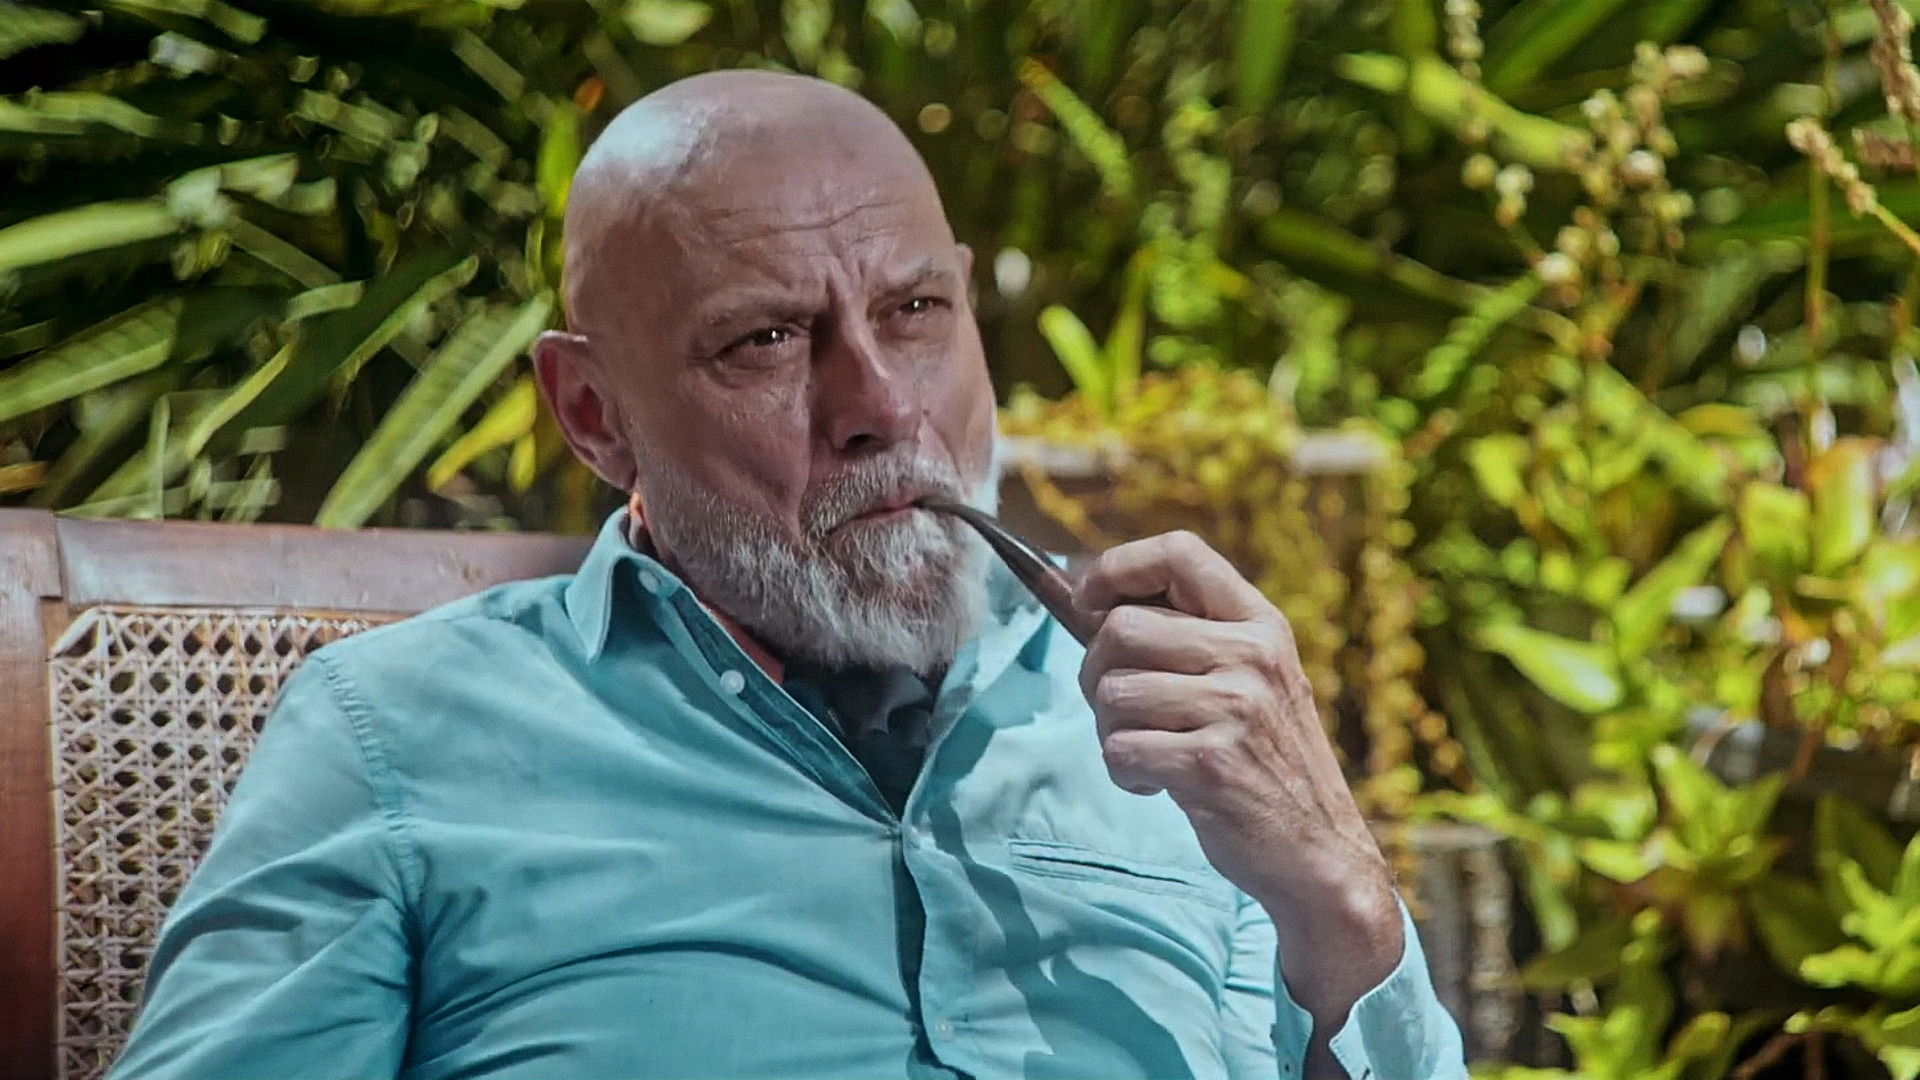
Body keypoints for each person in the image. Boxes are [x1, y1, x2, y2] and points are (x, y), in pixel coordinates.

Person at [108, 70, 1466, 1080]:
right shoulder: (398, 733)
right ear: (593, 412)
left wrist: (1341, 897)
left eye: (915, 312)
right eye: (764, 340)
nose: (881, 407)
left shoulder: (1177, 719)